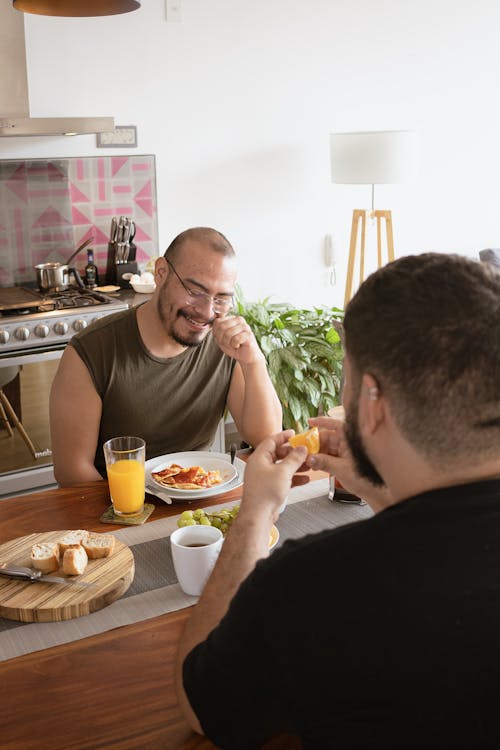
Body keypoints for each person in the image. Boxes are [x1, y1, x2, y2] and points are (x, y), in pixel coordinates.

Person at [176, 252, 500, 748]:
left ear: (372, 400)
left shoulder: (307, 585)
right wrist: (378, 487)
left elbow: (203, 708)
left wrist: (254, 515)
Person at [50, 227, 282, 486]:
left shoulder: (224, 342)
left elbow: (268, 439)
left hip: (198, 497)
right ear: (161, 273)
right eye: (195, 292)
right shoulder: (92, 350)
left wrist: (254, 361)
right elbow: (72, 472)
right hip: (117, 509)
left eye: (221, 299)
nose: (206, 312)